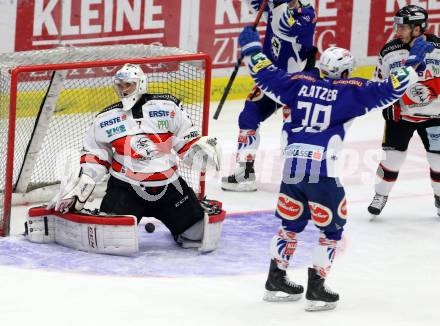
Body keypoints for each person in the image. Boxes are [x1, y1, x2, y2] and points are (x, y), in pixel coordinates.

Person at [237, 24, 432, 310]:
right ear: (345, 72)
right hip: (321, 171)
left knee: (289, 226)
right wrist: (414, 64)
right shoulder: (350, 92)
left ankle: (275, 279)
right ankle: (317, 288)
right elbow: (391, 89)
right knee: (331, 230)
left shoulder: (297, 83)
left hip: (291, 168)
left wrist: (251, 47)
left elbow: (264, 74)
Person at [47, 63, 224, 252]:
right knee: (111, 241)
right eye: (120, 85)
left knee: (198, 235)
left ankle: (182, 220)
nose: (123, 90)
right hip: (126, 189)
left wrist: (198, 153)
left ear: (140, 84)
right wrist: (81, 188)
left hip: (169, 187)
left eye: (128, 85)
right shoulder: (104, 119)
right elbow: (96, 157)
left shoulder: (168, 106)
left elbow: (186, 142)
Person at [221, 0, 317, 191]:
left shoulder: (307, 13)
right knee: (249, 115)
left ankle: (301, 178)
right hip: (274, 78)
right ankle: (245, 172)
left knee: (293, 130)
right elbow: (253, 4)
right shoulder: (274, 4)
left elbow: (283, 28)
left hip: (297, 82)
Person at [367, 5, 440, 217]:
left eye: (403, 26)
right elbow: (378, 83)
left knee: (438, 160)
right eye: (397, 25)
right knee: (392, 160)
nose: (398, 30)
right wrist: (389, 104)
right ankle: (381, 194)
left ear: (418, 28)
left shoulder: (438, 48)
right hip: (401, 115)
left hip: (434, 117)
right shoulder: (389, 51)